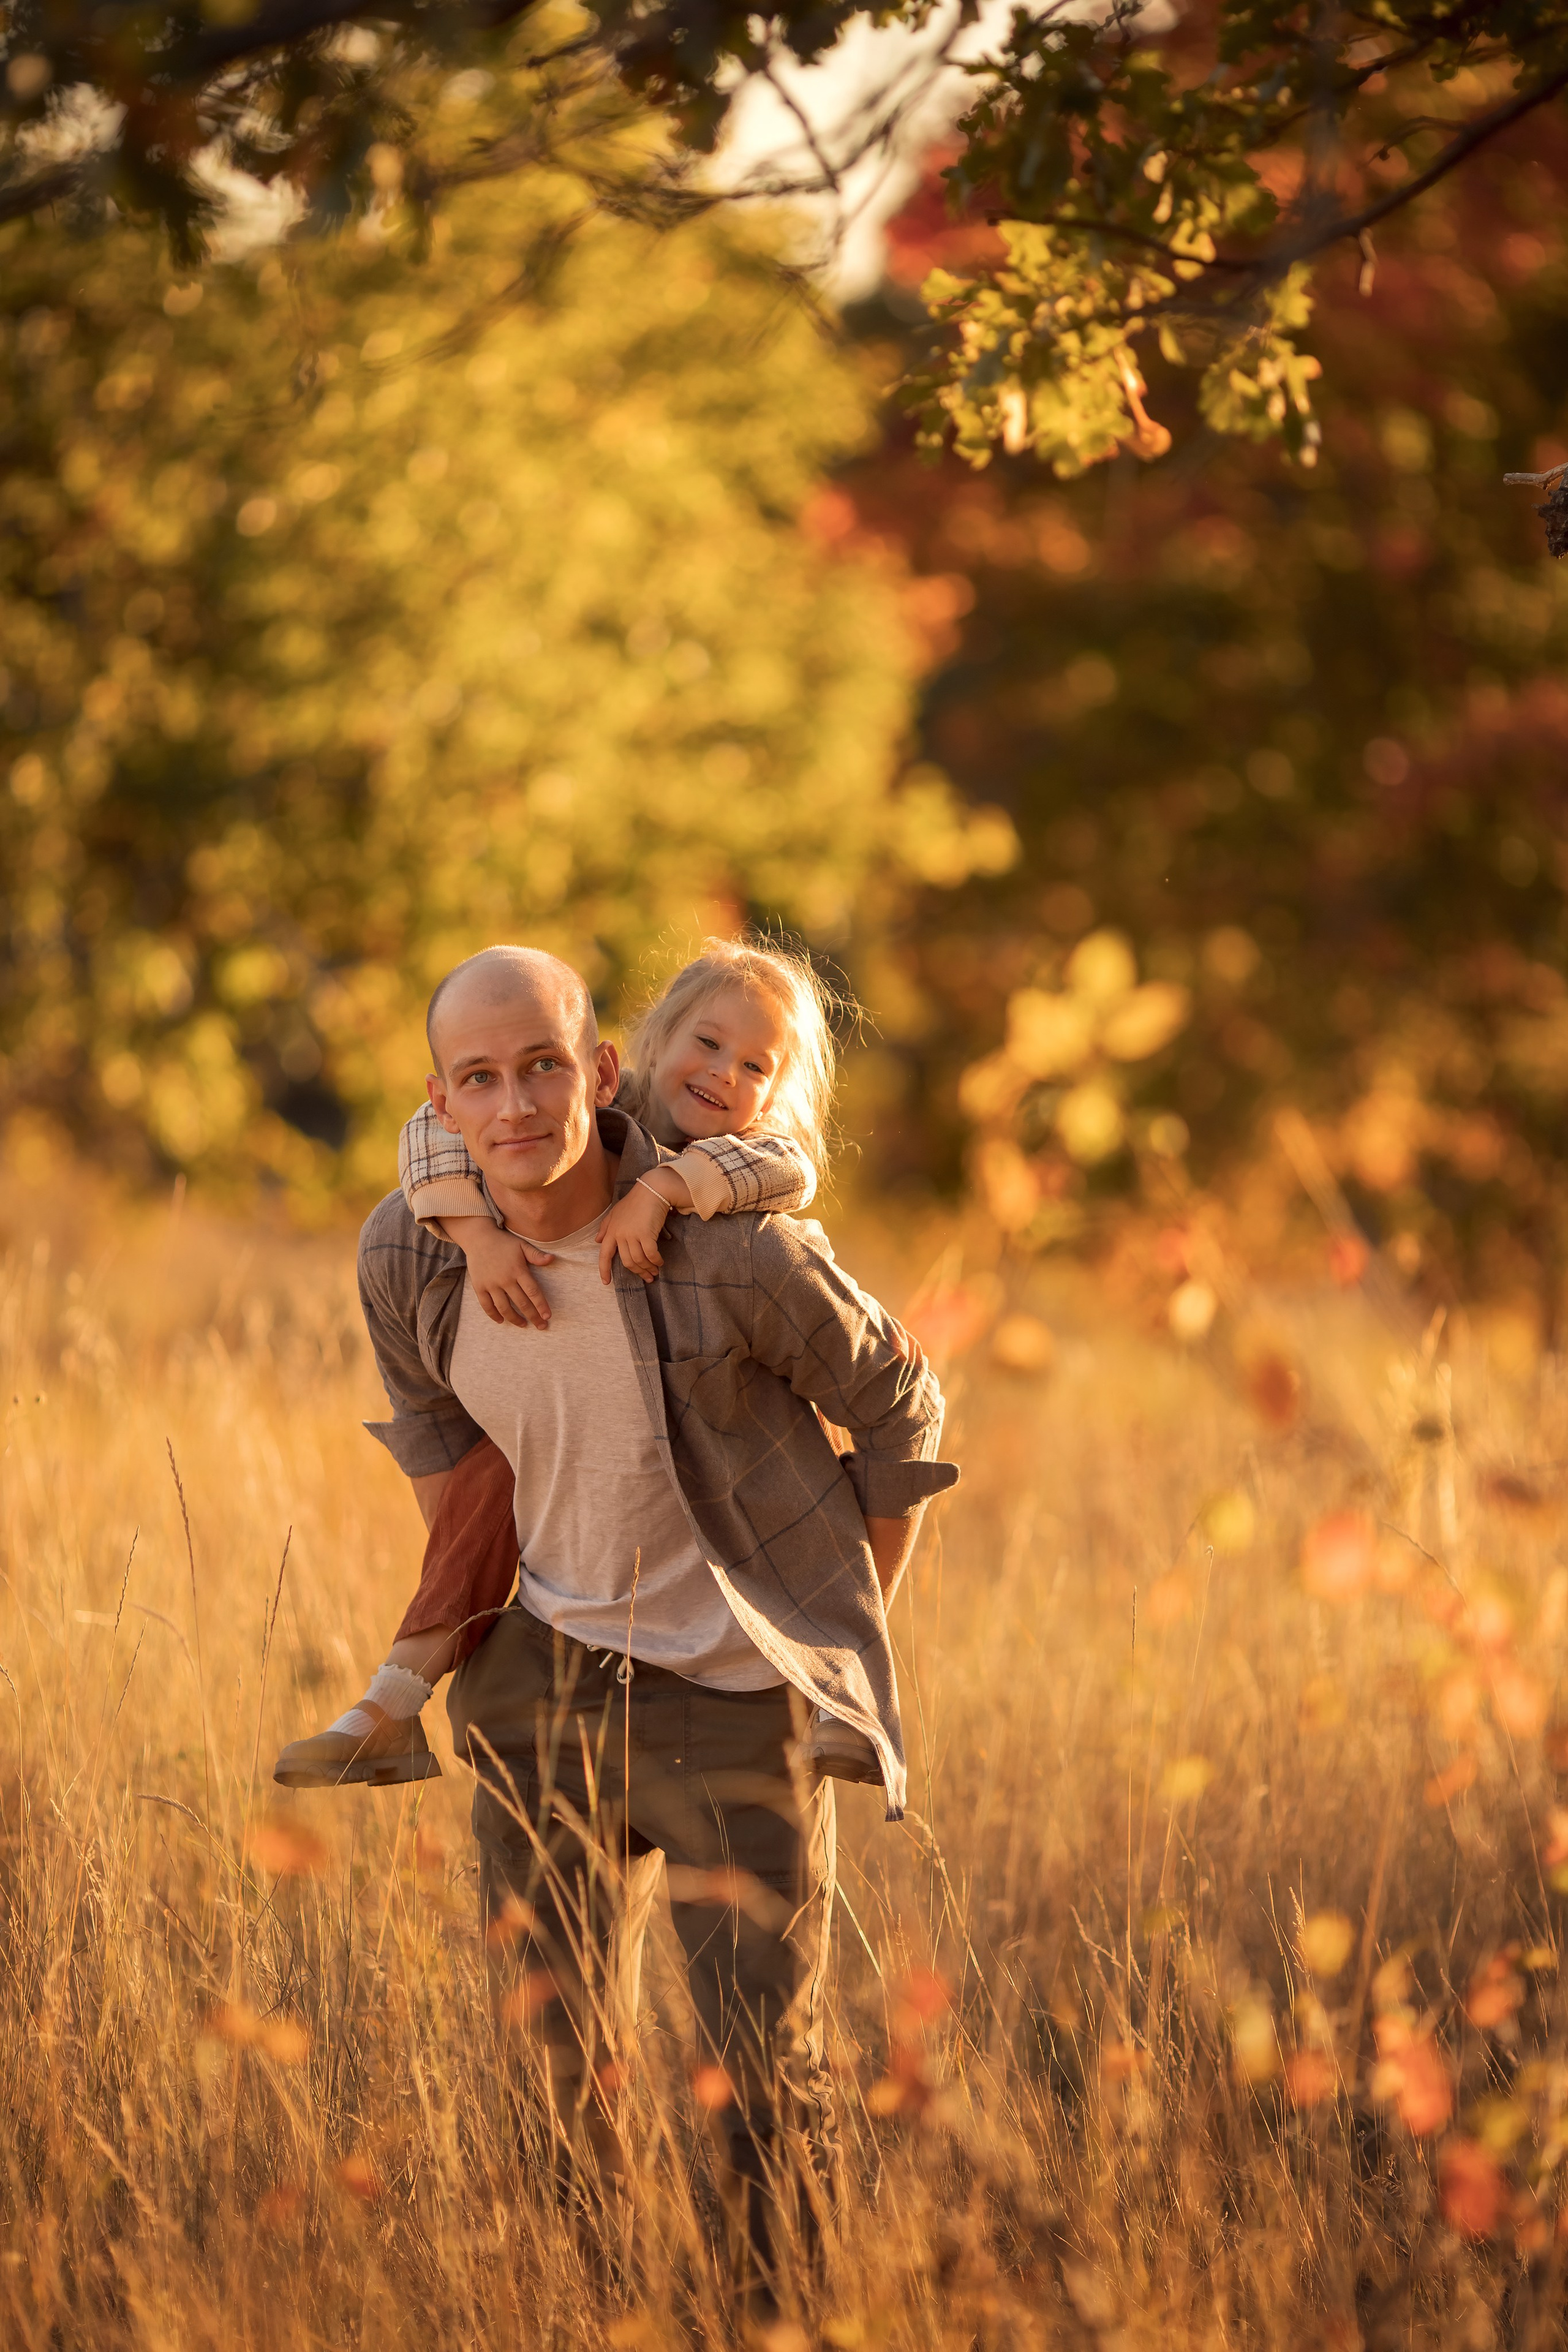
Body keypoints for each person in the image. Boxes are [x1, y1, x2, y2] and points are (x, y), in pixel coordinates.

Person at [276, 943, 957, 2293]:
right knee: (551, 2067)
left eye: (543, 1067)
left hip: (730, 1703)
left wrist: (836, 1629)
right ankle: (597, 2312)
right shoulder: (410, 1246)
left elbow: (903, 1412)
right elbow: (431, 1430)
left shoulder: (737, 1253)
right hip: (539, 1693)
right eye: (481, 1079)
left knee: (760, 2086)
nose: (517, 1105)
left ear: (597, 1071)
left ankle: (778, 2322)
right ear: (442, 1102)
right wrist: (472, 1608)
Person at [274, 940, 884, 1788]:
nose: (721, 1075)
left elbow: (795, 1172)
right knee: (492, 1476)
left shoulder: (757, 1169)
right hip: (558, 1661)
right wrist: (476, 1234)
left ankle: (834, 1677)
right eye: (706, 1044)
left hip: (733, 1484)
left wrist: (660, 1191)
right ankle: (396, 1694)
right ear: (647, 1048)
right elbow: (433, 1128)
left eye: (755, 1065)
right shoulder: (571, 1109)